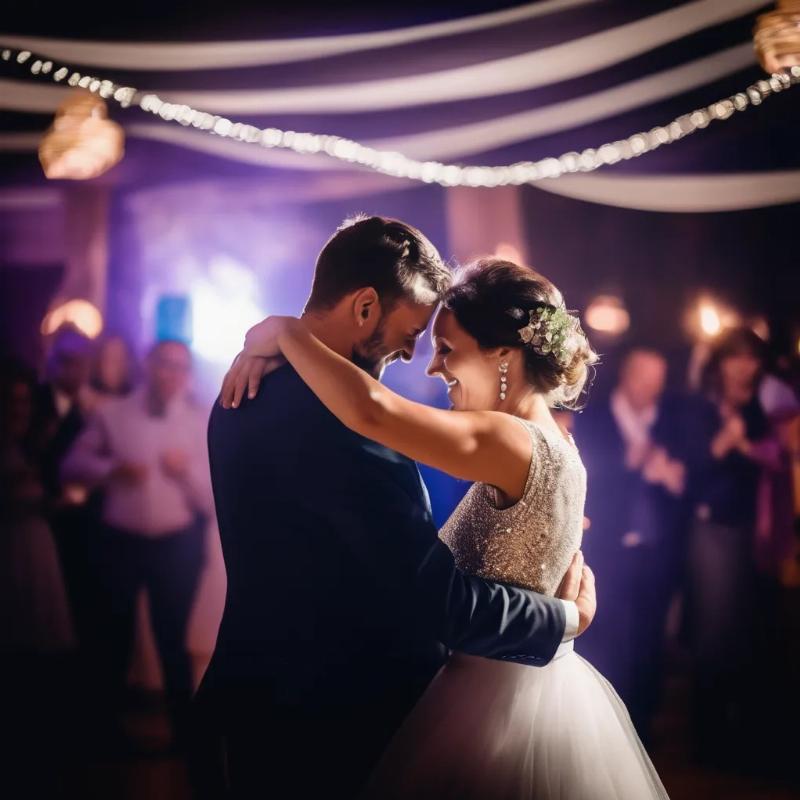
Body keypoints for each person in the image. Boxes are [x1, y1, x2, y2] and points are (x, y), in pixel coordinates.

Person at [228, 251, 668, 798]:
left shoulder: (508, 439)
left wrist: (287, 333)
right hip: (518, 693)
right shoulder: (556, 444)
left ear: (502, 355)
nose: (433, 367)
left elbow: (373, 414)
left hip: (493, 715)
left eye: (446, 349)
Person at [61, 339, 213, 749]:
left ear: (188, 374)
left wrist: (185, 474)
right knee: (112, 637)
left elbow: (212, 501)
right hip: (119, 543)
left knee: (173, 639)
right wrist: (111, 469)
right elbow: (70, 466)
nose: (172, 374)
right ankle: (103, 735)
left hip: (177, 544)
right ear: (148, 365)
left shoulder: (201, 422)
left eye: (181, 367)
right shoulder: (113, 413)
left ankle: (187, 738)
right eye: (165, 364)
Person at [574, 349, 688, 743]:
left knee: (650, 637)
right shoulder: (595, 420)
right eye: (645, 379)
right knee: (607, 635)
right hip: (607, 546)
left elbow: (690, 484)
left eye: (659, 381)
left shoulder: (667, 423)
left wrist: (673, 477)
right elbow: (586, 482)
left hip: (656, 550)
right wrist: (631, 465)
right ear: (627, 375)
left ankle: (642, 724)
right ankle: (605, 725)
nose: (652, 390)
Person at [683, 327, 773, 765]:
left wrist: (749, 443)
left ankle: (739, 736)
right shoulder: (699, 408)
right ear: (720, 364)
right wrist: (724, 441)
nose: (746, 366)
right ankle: (707, 737)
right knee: (714, 631)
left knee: (744, 631)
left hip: (751, 534)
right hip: (711, 529)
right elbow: (688, 474)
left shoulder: (757, 409)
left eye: (753, 359)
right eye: (737, 357)